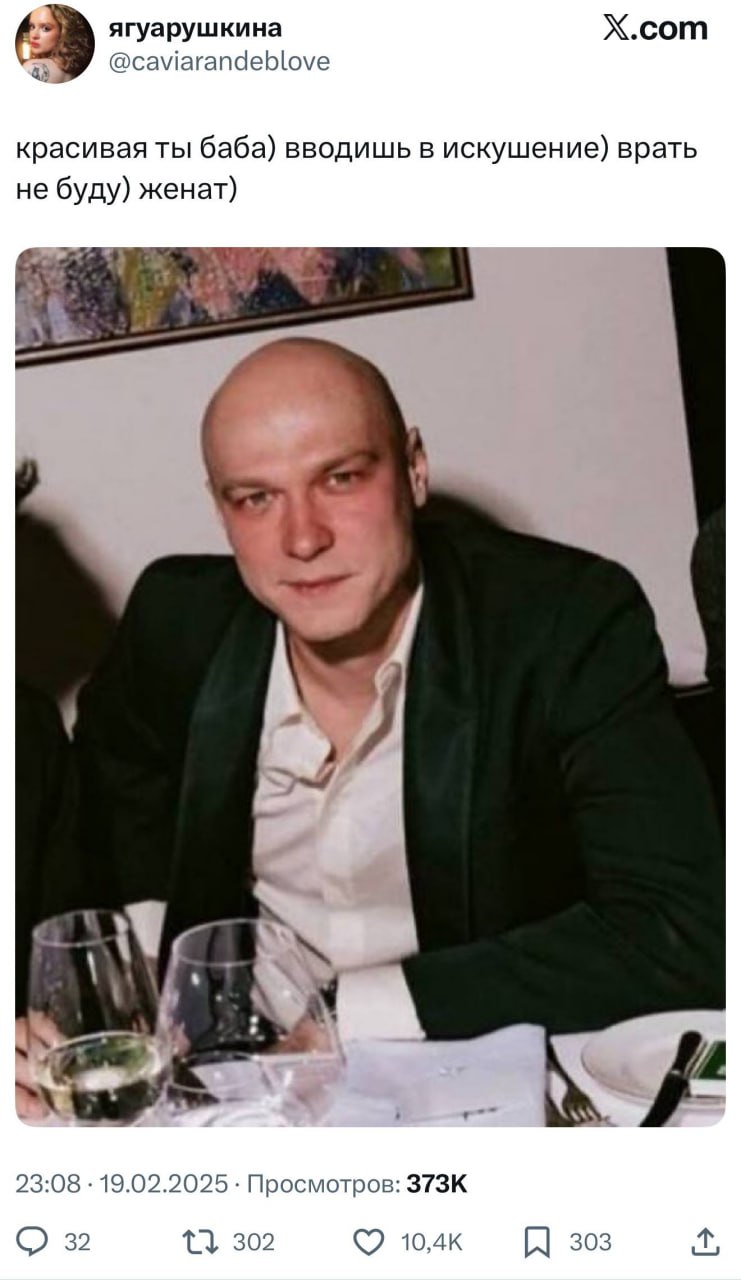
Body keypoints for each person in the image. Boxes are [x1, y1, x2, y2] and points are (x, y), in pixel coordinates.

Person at [71, 337, 723, 1048]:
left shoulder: (563, 624)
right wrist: (150, 971)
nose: (303, 539)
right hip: (244, 1070)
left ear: (414, 469)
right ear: (220, 509)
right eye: (256, 498)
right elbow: (108, 804)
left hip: (471, 1056)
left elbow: (681, 931)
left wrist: (347, 1018)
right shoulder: (174, 621)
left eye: (340, 478)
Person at [21, 6, 93, 83]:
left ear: (63, 33)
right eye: (32, 27)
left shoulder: (31, 67)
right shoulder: (70, 71)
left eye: (46, 28)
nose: (34, 35)